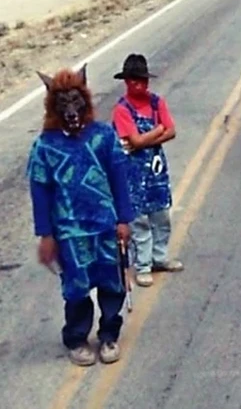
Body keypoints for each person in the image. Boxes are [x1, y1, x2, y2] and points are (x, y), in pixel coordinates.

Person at [28, 65, 134, 366]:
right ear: (53, 107)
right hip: (70, 232)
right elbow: (40, 192)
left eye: (76, 102)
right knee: (75, 286)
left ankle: (109, 335)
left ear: (85, 103)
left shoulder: (103, 136)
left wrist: (123, 219)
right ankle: (76, 338)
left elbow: (118, 177)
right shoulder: (45, 146)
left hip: (105, 225)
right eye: (63, 104)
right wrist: (46, 235)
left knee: (112, 282)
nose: (71, 111)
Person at [111, 54, 183, 288]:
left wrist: (146, 138)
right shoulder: (122, 110)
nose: (138, 85)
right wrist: (157, 131)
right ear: (126, 82)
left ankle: (159, 258)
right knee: (139, 220)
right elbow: (136, 140)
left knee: (161, 215)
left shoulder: (156, 102)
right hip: (132, 173)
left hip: (155, 170)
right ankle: (142, 265)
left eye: (142, 80)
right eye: (133, 81)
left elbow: (171, 131)